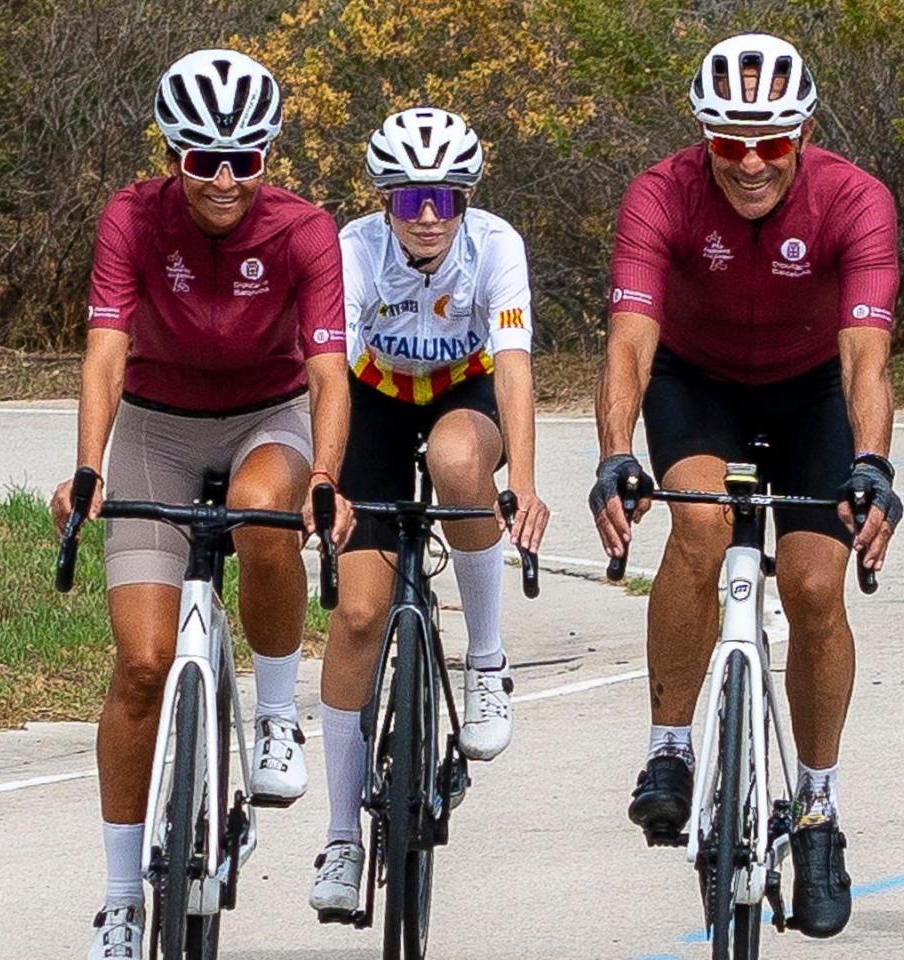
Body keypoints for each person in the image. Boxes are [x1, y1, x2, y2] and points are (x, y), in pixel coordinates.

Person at [589, 33, 902, 939]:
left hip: (813, 396)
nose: (752, 162)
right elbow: (630, 344)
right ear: (704, 137)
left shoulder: (855, 198)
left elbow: (866, 358)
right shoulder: (661, 194)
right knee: (699, 526)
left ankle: (818, 809)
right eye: (730, 142)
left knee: (813, 584)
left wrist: (872, 464)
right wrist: (615, 453)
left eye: (772, 142)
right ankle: (669, 748)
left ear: (805, 132)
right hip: (699, 387)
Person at [49, 49, 355, 959]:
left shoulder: (305, 230)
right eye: (203, 160)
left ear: (267, 157)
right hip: (158, 426)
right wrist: (88, 467)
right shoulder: (132, 218)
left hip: (268, 417)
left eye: (245, 161)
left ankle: (275, 717)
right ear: (172, 156)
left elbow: (328, 373)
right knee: (142, 667)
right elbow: (107, 352)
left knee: (263, 514)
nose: (225, 181)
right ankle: (119, 902)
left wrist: (325, 473)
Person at [308, 106, 550, 917]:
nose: (425, 217)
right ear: (383, 200)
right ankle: (341, 838)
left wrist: (524, 484)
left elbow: (513, 368)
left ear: (465, 200)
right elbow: (330, 372)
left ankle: (486, 660)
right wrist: (328, 477)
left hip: (462, 395)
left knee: (455, 461)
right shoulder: (352, 250)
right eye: (408, 199)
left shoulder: (497, 246)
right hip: (373, 401)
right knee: (358, 616)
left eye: (442, 200)